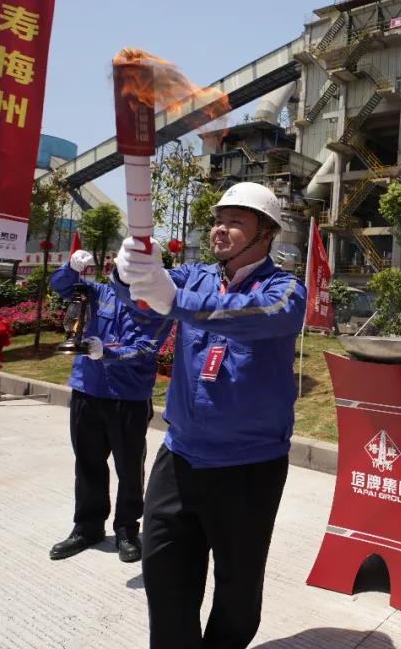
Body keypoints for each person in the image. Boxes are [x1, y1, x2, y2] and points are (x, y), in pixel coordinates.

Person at [113, 182, 307, 649]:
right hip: (179, 457)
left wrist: (172, 298)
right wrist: (129, 274)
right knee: (165, 576)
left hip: (249, 465)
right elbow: (143, 303)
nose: (220, 229)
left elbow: (254, 312)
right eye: (218, 220)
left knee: (238, 589)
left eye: (236, 221)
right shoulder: (195, 277)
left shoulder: (284, 289)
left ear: (267, 233)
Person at [47, 249, 172, 563]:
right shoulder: (98, 291)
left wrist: (109, 352)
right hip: (88, 389)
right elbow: (61, 287)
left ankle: (128, 529)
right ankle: (87, 527)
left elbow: (146, 347)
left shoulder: (157, 304)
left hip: (127, 396)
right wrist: (71, 268)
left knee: (129, 466)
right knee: (87, 462)